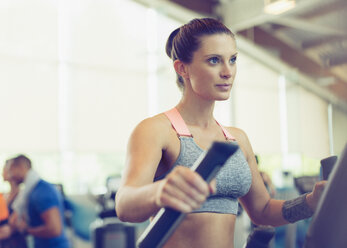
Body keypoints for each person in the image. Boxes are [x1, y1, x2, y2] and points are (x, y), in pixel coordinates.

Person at [115, 18, 326, 248]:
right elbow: (124, 206)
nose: (227, 72)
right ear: (181, 68)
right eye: (214, 60)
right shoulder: (157, 130)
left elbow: (263, 211)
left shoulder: (237, 140)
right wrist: (159, 191)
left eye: (232, 60)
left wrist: (310, 203)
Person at [8, 155, 70, 248]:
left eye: (11, 170)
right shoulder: (32, 190)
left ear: (21, 167)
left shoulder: (41, 191)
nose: (10, 176)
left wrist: (26, 230)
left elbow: (54, 229)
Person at [0, 159, 28, 248]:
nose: (2, 172)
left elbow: (25, 222)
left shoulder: (23, 195)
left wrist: (12, 229)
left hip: (16, 242)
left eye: (6, 168)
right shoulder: (3, 196)